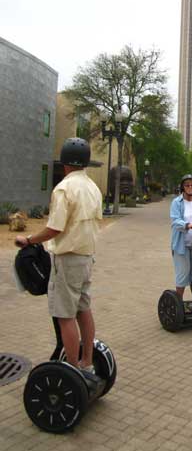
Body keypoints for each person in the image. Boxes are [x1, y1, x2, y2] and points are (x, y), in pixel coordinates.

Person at [16, 137, 103, 374]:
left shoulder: (64, 188)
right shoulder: (93, 188)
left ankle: (72, 371)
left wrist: (29, 240)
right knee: (83, 309)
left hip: (66, 260)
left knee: (65, 316)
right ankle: (87, 362)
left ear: (64, 164)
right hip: (86, 257)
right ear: (85, 163)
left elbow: (55, 228)